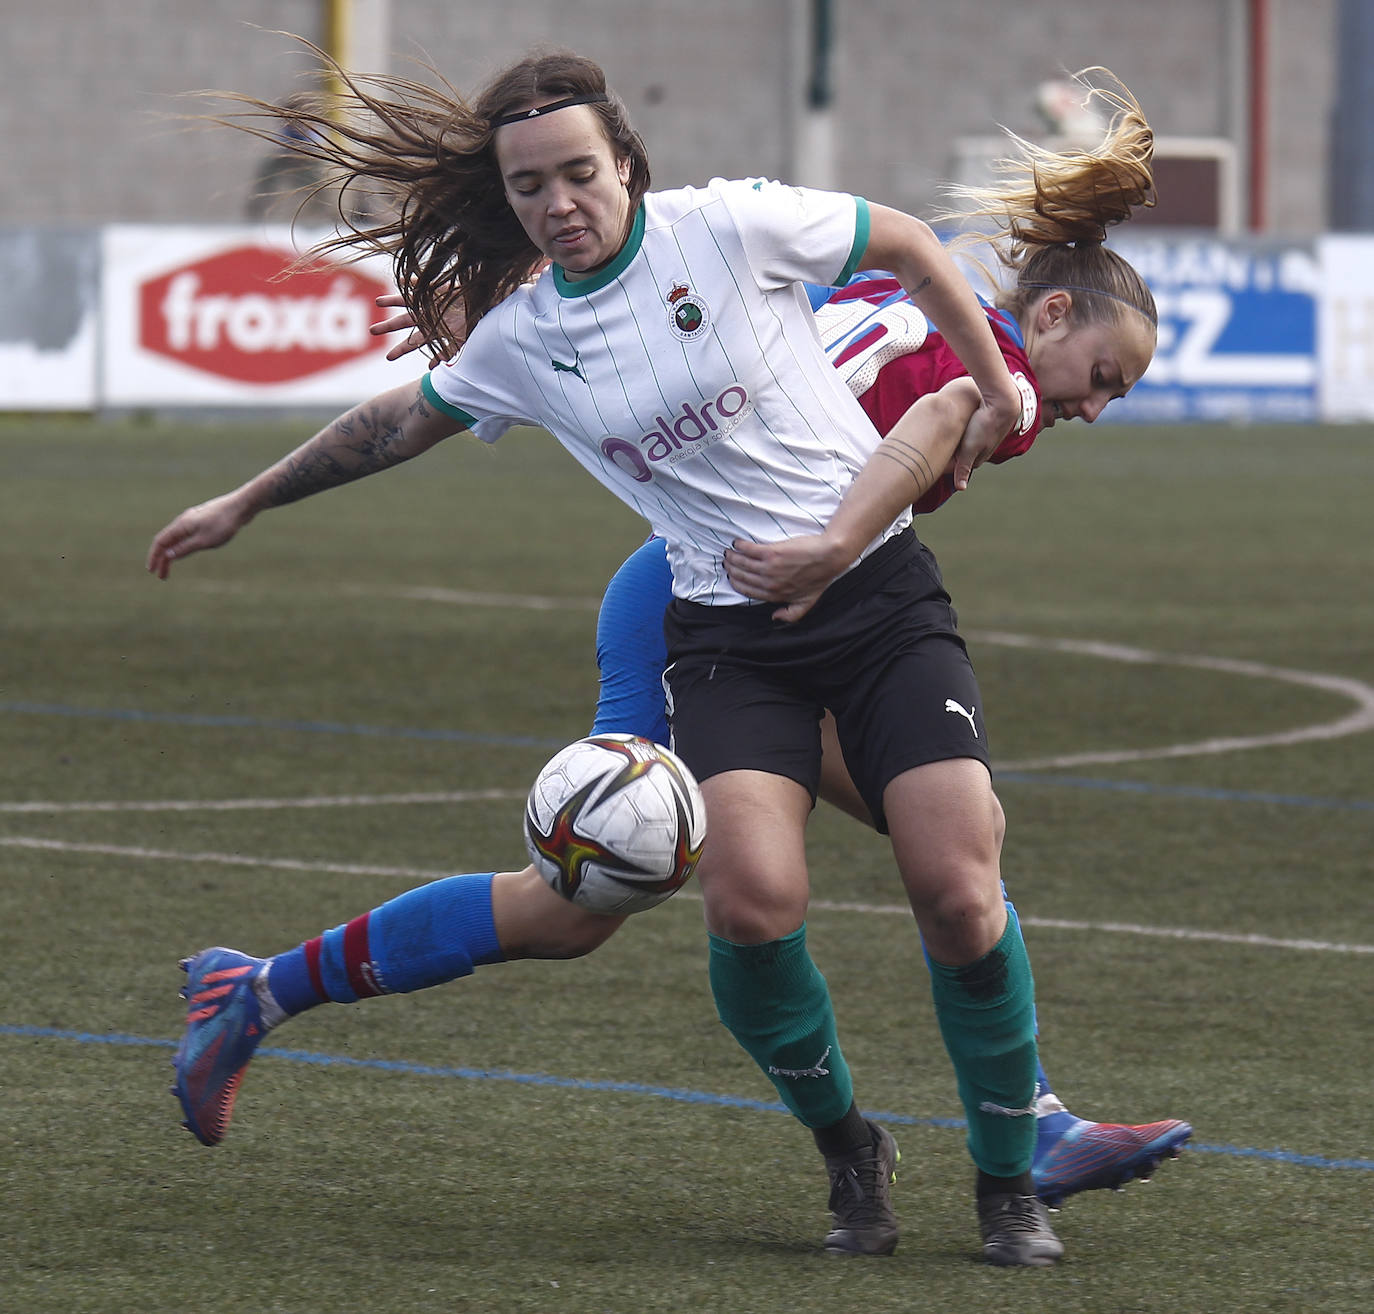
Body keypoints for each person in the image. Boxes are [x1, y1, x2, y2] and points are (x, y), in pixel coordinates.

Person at [148, 49, 1152, 1266]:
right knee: (632, 893)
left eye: (579, 173)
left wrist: (847, 532)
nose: (558, 200)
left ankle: (1024, 1132)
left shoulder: (732, 229)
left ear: (626, 164)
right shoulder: (561, 332)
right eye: (531, 186)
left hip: (844, 598)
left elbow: (889, 269)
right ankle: (256, 993)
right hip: (699, 610)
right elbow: (400, 420)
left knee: (948, 860)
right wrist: (249, 499)